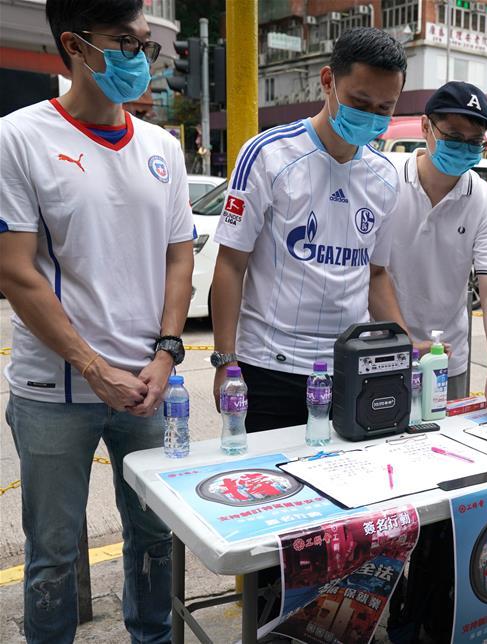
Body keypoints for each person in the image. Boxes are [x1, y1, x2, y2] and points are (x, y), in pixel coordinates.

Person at [0, 1, 195, 641]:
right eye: (124, 43)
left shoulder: (162, 148)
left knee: (155, 539)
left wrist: (166, 356)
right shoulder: (20, 138)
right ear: (76, 46)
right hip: (55, 392)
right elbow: (16, 271)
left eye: (145, 45)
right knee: (53, 556)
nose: (139, 58)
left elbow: (178, 257)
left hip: (147, 388)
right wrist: (92, 366)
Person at [211, 27, 414, 430]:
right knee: (271, 489)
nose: (371, 116)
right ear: (328, 82)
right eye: (360, 102)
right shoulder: (267, 155)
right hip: (269, 368)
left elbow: (375, 274)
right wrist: (225, 361)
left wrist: (405, 352)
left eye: (384, 108)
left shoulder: (386, 177)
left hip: (350, 366)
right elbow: (231, 264)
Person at [387, 81, 487, 420]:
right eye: (454, 138)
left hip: (447, 357)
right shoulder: (386, 180)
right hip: (383, 347)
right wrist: (402, 343)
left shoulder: (483, 200)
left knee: (443, 451)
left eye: (474, 142)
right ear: (426, 126)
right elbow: (370, 273)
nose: (464, 149)